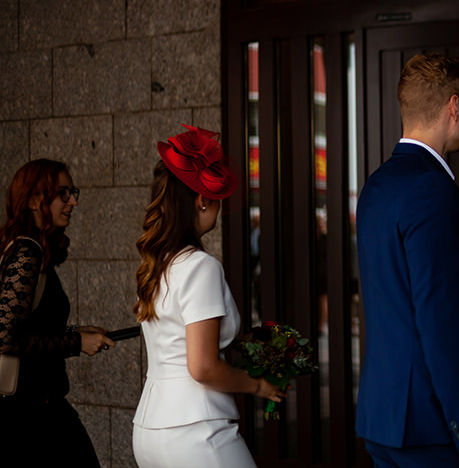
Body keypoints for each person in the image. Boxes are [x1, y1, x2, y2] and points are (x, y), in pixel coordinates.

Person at [355, 53, 459, 468]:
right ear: (454, 106)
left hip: (382, 414)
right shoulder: (432, 189)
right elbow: (438, 320)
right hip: (429, 421)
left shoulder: (376, 186)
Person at [132, 125, 285, 468]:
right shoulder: (201, 266)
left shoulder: (156, 264)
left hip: (148, 431)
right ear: (202, 199)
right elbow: (202, 366)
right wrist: (258, 386)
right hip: (195, 433)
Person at [0, 158, 115, 467]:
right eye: (63, 193)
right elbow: (8, 339)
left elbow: (28, 326)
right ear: (36, 200)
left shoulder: (27, 249)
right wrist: (76, 342)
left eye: (72, 192)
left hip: (38, 410)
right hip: (28, 417)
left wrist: (76, 331)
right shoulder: (27, 252)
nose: (73, 201)